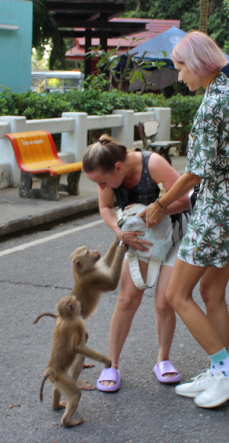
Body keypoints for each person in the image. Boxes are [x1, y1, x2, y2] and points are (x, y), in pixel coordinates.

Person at [143, 30, 229, 409]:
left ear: (196, 65)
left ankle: (226, 370)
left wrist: (161, 203)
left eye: (179, 68)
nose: (178, 77)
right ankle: (218, 372)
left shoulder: (211, 105)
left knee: (177, 293)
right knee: (212, 294)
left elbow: (194, 173)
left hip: (217, 210)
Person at [82, 136, 191, 392]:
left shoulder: (152, 163)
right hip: (139, 239)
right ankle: (112, 364)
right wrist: (120, 233)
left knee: (165, 301)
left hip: (173, 235)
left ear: (118, 168)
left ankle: (163, 359)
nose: (101, 186)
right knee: (127, 299)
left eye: (102, 182)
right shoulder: (108, 173)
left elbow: (187, 199)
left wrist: (157, 209)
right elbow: (106, 207)